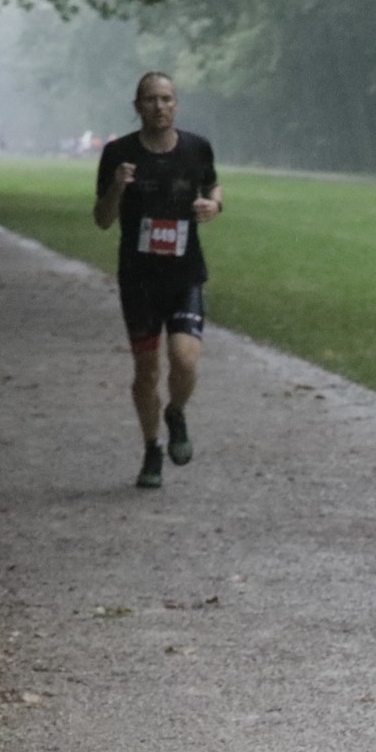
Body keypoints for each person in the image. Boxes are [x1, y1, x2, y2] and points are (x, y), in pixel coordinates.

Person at [93, 71, 222, 489]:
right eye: (151, 99)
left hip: (185, 274)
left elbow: (213, 187)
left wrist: (213, 206)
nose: (160, 106)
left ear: (176, 105)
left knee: (185, 359)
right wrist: (117, 187)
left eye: (166, 99)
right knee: (146, 371)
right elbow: (102, 220)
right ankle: (152, 447)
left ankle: (176, 412)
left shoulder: (196, 147)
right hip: (139, 280)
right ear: (138, 106)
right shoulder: (119, 153)